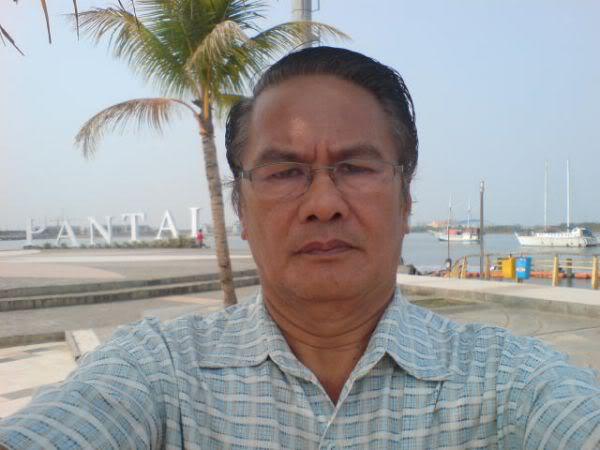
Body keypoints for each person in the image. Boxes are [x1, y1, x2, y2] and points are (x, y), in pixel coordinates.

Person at [1, 46, 599, 449]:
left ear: (405, 199)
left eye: (356, 167)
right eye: (285, 172)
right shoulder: (160, 373)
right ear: (240, 208)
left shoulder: (508, 381)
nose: (323, 203)